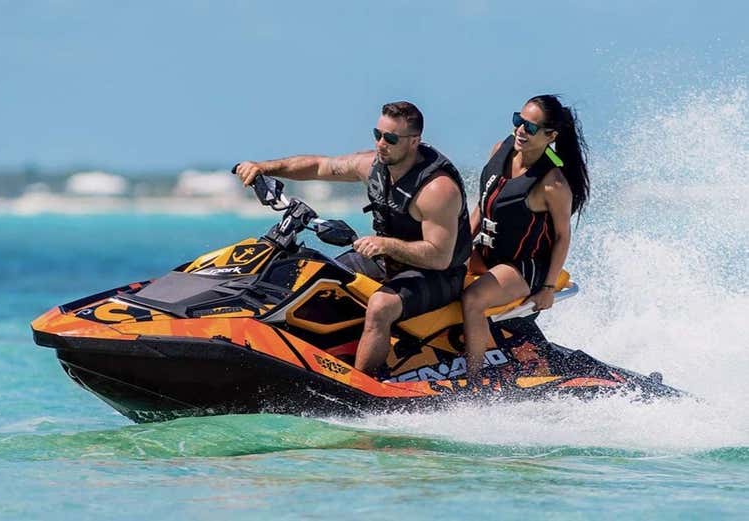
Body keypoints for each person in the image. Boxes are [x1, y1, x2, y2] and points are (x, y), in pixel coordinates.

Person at [234, 101, 472, 376]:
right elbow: (320, 166)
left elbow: (440, 256)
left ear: (414, 141)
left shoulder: (437, 190)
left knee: (381, 306)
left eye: (391, 138)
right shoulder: (372, 165)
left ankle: (360, 384)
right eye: (378, 134)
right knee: (318, 276)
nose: (381, 144)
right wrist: (263, 167)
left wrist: (386, 244)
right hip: (387, 258)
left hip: (439, 274)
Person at [461, 95, 590, 382]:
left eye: (530, 128)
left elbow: (562, 237)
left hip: (524, 267)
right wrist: (459, 245)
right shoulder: (499, 151)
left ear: (551, 136)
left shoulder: (552, 183)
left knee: (473, 299)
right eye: (518, 121)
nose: (520, 130)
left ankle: (473, 381)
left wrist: (546, 287)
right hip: (488, 254)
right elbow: (483, 205)